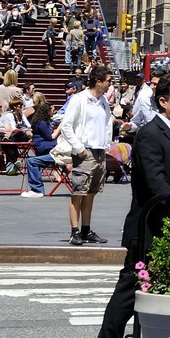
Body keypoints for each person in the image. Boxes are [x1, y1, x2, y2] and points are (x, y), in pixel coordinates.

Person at [89, 73, 170, 338]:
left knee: (166, 292)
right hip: (152, 230)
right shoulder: (151, 134)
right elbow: (157, 185)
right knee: (128, 294)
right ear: (163, 102)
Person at [55, 66, 116, 246]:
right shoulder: (79, 99)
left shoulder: (103, 100)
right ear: (98, 81)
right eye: (108, 81)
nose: (110, 84)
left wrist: (106, 144)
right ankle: (75, 232)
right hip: (85, 150)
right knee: (78, 192)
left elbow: (106, 123)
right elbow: (66, 125)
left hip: (99, 151)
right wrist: (79, 148)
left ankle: (86, 229)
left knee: (91, 193)